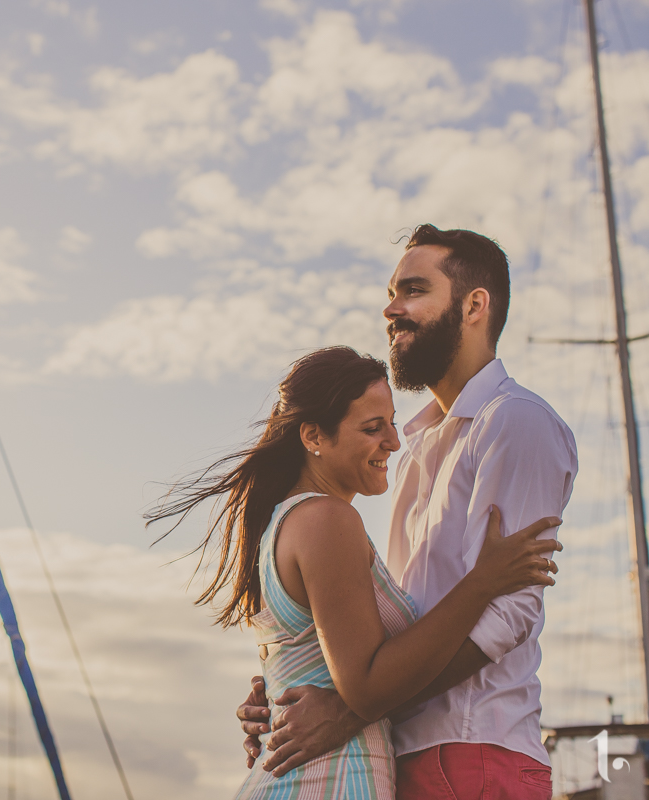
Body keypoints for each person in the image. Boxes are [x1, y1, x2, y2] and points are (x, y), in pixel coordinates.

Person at [237, 225, 578, 799]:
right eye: (392, 293)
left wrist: (344, 710)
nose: (392, 309)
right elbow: (387, 630)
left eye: (415, 290)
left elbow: (508, 614)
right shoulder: (417, 445)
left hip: (472, 751)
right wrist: (292, 684)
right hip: (403, 755)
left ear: (474, 306)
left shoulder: (514, 421)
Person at [148, 345, 562, 799]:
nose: (393, 440)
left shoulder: (288, 523)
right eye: (372, 428)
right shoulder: (328, 520)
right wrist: (483, 581)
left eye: (390, 421)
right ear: (313, 438)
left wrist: (271, 695)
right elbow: (366, 688)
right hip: (329, 782)